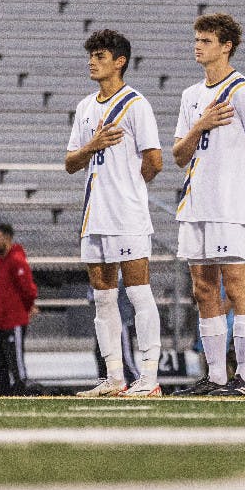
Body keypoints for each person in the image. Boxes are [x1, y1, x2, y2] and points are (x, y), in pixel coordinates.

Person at [171, 13, 245, 396]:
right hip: (195, 204)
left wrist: (242, 188)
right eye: (197, 39)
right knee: (202, 288)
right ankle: (215, 376)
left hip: (229, 205)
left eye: (207, 40)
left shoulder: (243, 91)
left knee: (236, 284)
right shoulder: (191, 96)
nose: (198, 45)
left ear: (226, 46)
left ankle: (244, 378)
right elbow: (180, 154)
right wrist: (201, 125)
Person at [65, 29, 165, 398]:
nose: (92, 61)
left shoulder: (136, 104)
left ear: (120, 61)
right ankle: (113, 378)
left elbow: (154, 161)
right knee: (103, 298)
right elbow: (70, 162)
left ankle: (150, 378)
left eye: (100, 56)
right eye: (91, 55)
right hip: (95, 214)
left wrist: (129, 191)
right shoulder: (86, 107)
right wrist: (92, 145)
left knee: (138, 292)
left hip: (127, 214)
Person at [0, 222, 39, 396]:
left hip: (12, 321)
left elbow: (29, 289)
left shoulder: (16, 261)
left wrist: (28, 307)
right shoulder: (0, 262)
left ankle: (22, 394)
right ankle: (5, 397)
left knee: (16, 365)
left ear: (7, 238)